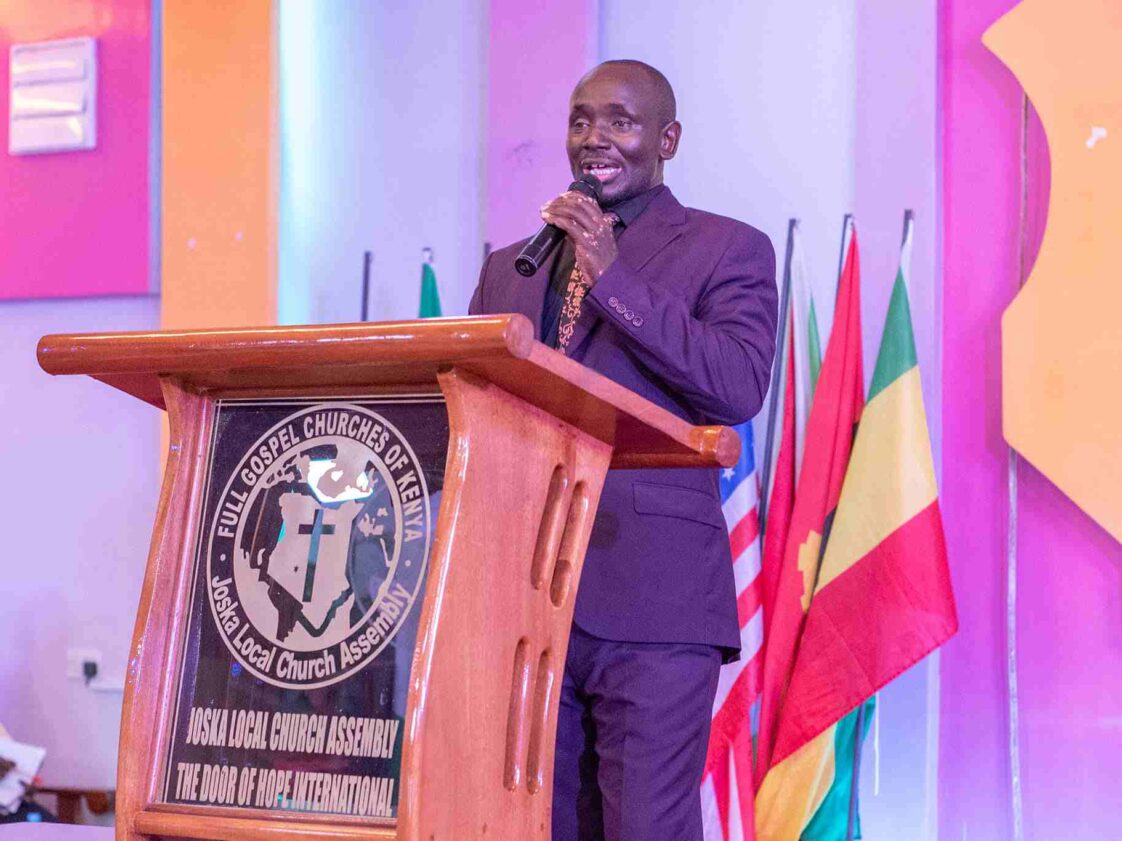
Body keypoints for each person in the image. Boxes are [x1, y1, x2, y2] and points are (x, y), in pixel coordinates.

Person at [469, 59, 777, 841]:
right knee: (537, 825)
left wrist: (613, 277)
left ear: (667, 140)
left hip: (656, 602)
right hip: (527, 597)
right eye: (580, 120)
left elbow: (737, 384)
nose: (593, 137)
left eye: (619, 121)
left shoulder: (727, 248)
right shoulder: (512, 266)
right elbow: (474, 403)